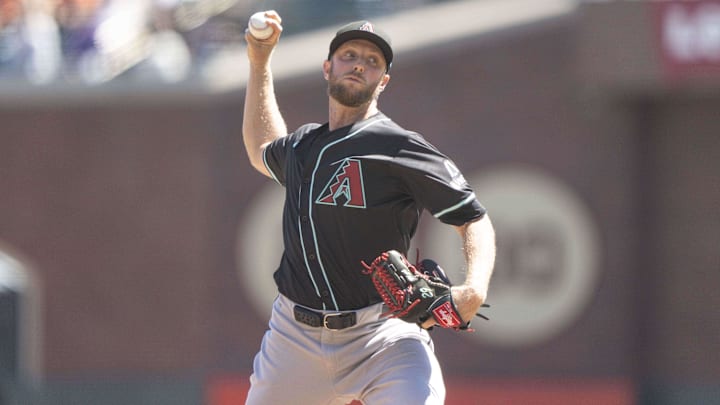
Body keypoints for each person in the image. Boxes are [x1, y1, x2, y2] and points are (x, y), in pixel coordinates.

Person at [241, 10, 496, 405]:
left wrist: (474, 288)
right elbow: (261, 151)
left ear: (383, 81)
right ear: (327, 68)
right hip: (294, 337)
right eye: (349, 55)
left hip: (382, 334)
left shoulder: (398, 146)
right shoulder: (304, 146)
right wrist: (259, 62)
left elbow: (473, 218)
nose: (359, 63)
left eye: (373, 61)